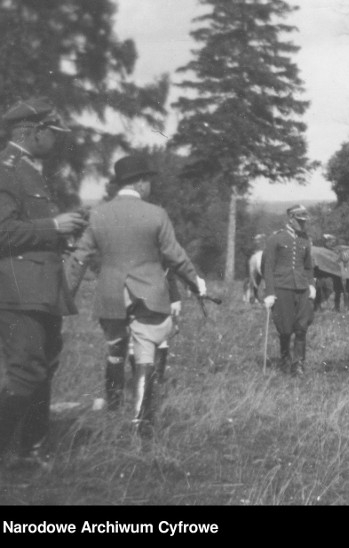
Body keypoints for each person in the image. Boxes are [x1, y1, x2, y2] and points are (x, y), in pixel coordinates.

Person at [67, 155, 206, 434]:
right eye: (149, 181)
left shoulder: (99, 213)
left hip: (111, 295)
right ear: (141, 182)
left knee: (115, 349)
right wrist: (195, 281)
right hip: (148, 294)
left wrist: (64, 292)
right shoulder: (156, 214)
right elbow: (174, 255)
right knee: (145, 352)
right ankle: (141, 420)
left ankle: (114, 405)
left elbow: (79, 257)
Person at [0, 98, 88, 468]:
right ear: (34, 131)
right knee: (27, 369)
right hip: (20, 289)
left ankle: (32, 450)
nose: (56, 140)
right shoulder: (7, 171)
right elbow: (3, 231)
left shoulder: (29, 171)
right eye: (53, 133)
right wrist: (54, 226)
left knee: (43, 365)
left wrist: (61, 233)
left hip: (39, 289)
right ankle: (9, 452)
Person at [262, 204, 316, 376]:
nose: (302, 224)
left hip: (302, 288)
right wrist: (269, 292)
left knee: (301, 327)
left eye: (304, 221)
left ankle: (298, 363)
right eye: (299, 221)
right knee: (285, 328)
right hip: (282, 287)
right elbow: (268, 267)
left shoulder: (305, 239)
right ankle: (285, 359)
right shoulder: (276, 239)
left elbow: (308, 266)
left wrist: (311, 285)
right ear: (290, 219)